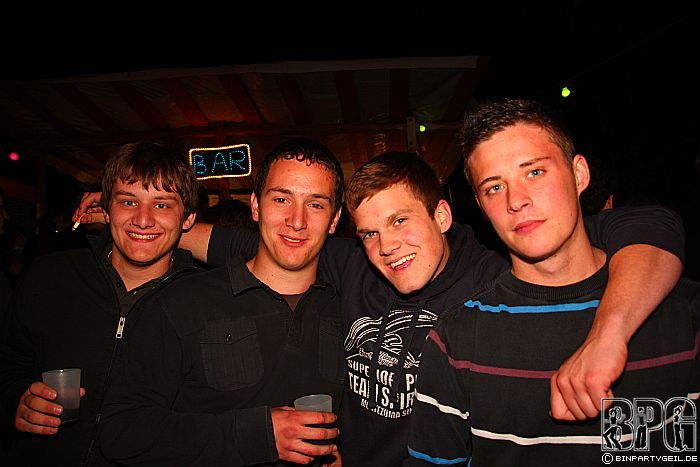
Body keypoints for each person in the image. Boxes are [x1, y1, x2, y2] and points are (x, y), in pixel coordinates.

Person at [73, 145, 685, 467]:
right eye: (369, 231)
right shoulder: (347, 264)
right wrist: (147, 219)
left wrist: (609, 331)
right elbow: (250, 241)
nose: (387, 246)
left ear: (442, 215)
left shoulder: (496, 273)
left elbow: (644, 226)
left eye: (400, 221)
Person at [405, 98, 699, 466]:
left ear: (579, 174)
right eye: (494, 187)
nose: (516, 201)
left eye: (534, 172)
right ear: (481, 206)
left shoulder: (684, 315)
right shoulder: (457, 339)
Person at [99, 139, 344, 466]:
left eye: (315, 204)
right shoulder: (183, 302)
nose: (296, 221)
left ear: (334, 219)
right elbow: (121, 429)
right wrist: (256, 435)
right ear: (255, 206)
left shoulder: (347, 311)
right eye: (281, 199)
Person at [0, 142, 199, 466]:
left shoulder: (203, 300)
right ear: (106, 211)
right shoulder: (50, 276)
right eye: (128, 202)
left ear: (188, 218)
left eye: (162, 205)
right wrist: (16, 401)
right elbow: (9, 361)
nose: (143, 220)